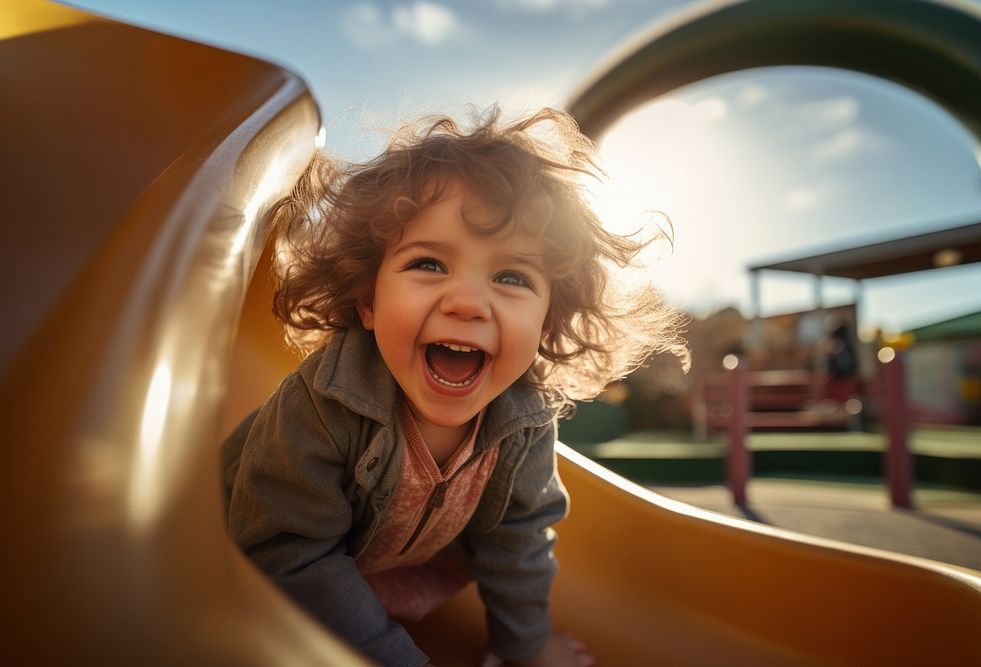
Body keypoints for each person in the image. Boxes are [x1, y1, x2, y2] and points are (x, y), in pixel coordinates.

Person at [222, 107, 687, 667]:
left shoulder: (524, 423)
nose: (467, 302)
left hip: (380, 561)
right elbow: (290, 555)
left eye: (512, 277)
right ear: (367, 300)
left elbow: (519, 539)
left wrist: (527, 647)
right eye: (429, 264)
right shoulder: (322, 406)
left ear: (547, 320)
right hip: (232, 558)